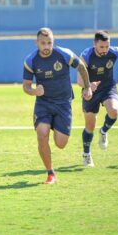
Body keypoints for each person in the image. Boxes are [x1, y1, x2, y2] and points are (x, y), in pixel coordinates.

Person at [23, 27, 92, 184]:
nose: (46, 47)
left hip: (63, 104)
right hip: (44, 103)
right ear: (36, 43)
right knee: (41, 134)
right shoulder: (30, 60)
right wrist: (35, 91)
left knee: (60, 144)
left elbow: (81, 66)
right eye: (43, 43)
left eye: (49, 43)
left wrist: (87, 87)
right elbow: (26, 86)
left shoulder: (64, 54)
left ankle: (54, 125)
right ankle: (50, 173)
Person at [77, 30, 118, 167]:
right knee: (90, 125)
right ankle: (86, 154)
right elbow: (79, 80)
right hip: (90, 90)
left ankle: (103, 131)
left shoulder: (113, 52)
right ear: (95, 44)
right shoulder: (86, 56)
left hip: (107, 87)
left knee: (114, 111)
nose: (104, 50)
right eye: (101, 47)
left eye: (107, 46)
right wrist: (88, 86)